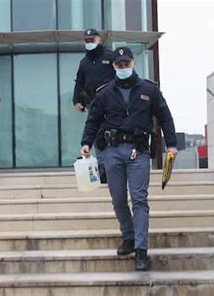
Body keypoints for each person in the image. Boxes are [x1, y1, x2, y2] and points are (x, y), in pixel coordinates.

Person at [80, 47, 178, 271]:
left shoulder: (149, 90)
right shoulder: (104, 92)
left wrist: (172, 144)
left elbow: (165, 116)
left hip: (138, 151)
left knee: (139, 199)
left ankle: (141, 250)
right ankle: (129, 236)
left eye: (126, 64)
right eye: (119, 65)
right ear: (114, 66)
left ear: (133, 63)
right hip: (111, 151)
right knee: (118, 198)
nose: (123, 68)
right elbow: (93, 120)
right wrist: (86, 143)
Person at [73, 28, 115, 183]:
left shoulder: (110, 56)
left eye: (93, 40)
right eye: (87, 41)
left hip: (112, 105)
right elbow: (79, 82)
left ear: (100, 40)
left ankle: (113, 167)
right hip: (93, 104)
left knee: (111, 135)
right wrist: (76, 100)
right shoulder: (84, 62)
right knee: (97, 137)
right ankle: (103, 169)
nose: (90, 43)